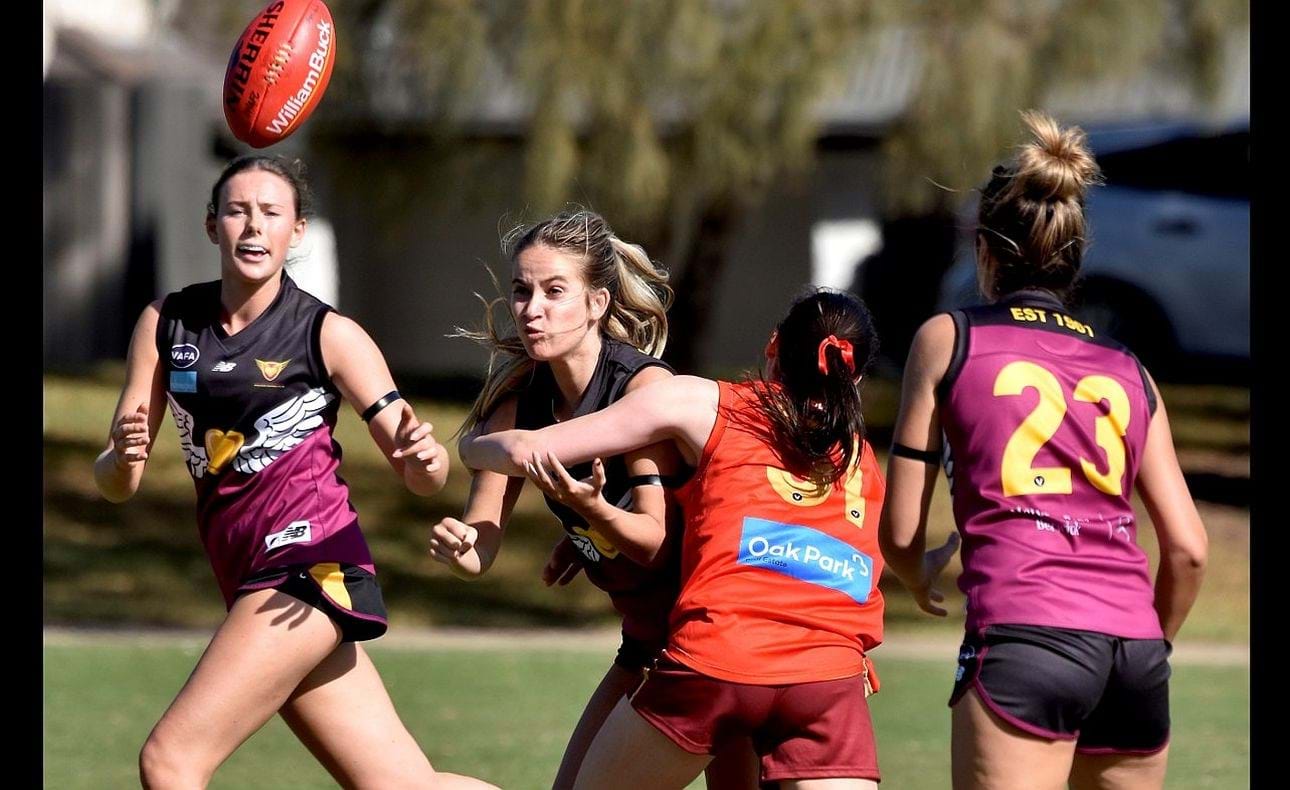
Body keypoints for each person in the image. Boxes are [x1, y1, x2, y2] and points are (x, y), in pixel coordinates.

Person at [94, 154, 495, 789]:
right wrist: (121, 454)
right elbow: (120, 482)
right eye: (237, 211)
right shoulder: (165, 324)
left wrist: (425, 457)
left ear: (298, 231)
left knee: (170, 761)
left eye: (271, 213)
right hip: (251, 579)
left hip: (310, 568)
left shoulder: (328, 333)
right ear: (210, 226)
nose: (253, 227)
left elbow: (426, 475)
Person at [878, 111, 1209, 790]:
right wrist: (1152, 644)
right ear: (1075, 255)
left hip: (1025, 638)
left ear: (986, 251)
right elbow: (1188, 550)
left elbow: (901, 531)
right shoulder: (1129, 370)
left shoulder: (948, 337)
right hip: (1135, 657)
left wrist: (916, 573)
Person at [458, 288, 887, 790]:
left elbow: (529, 450)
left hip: (718, 663)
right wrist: (591, 532)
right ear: (853, 378)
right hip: (830, 681)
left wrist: (467, 446)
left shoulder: (703, 402)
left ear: (773, 347)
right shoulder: (864, 460)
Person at [430, 209, 759, 789]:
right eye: (522, 291)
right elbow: (481, 546)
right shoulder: (516, 402)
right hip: (646, 643)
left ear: (597, 303)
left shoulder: (640, 390)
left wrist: (591, 514)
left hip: (710, 643)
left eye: (555, 291)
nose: (532, 309)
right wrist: (463, 546)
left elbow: (656, 546)